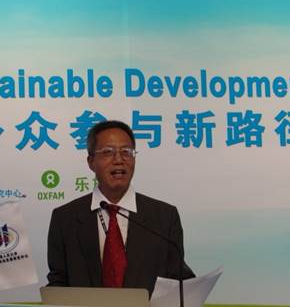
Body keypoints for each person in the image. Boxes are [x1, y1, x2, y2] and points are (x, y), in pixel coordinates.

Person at [46, 120, 194, 296]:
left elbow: (177, 279)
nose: (118, 160)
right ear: (91, 161)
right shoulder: (65, 218)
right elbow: (58, 283)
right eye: (108, 152)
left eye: (126, 152)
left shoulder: (164, 217)